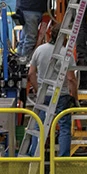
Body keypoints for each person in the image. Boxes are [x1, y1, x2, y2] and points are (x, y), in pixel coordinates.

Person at [28, 23, 78, 157]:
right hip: (61, 95)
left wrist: (38, 89)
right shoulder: (66, 54)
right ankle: (63, 159)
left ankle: (35, 155)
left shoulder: (40, 50)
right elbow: (71, 79)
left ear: (50, 34)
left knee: (39, 127)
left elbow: (31, 73)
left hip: (44, 95)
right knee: (64, 127)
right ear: (65, 37)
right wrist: (75, 96)